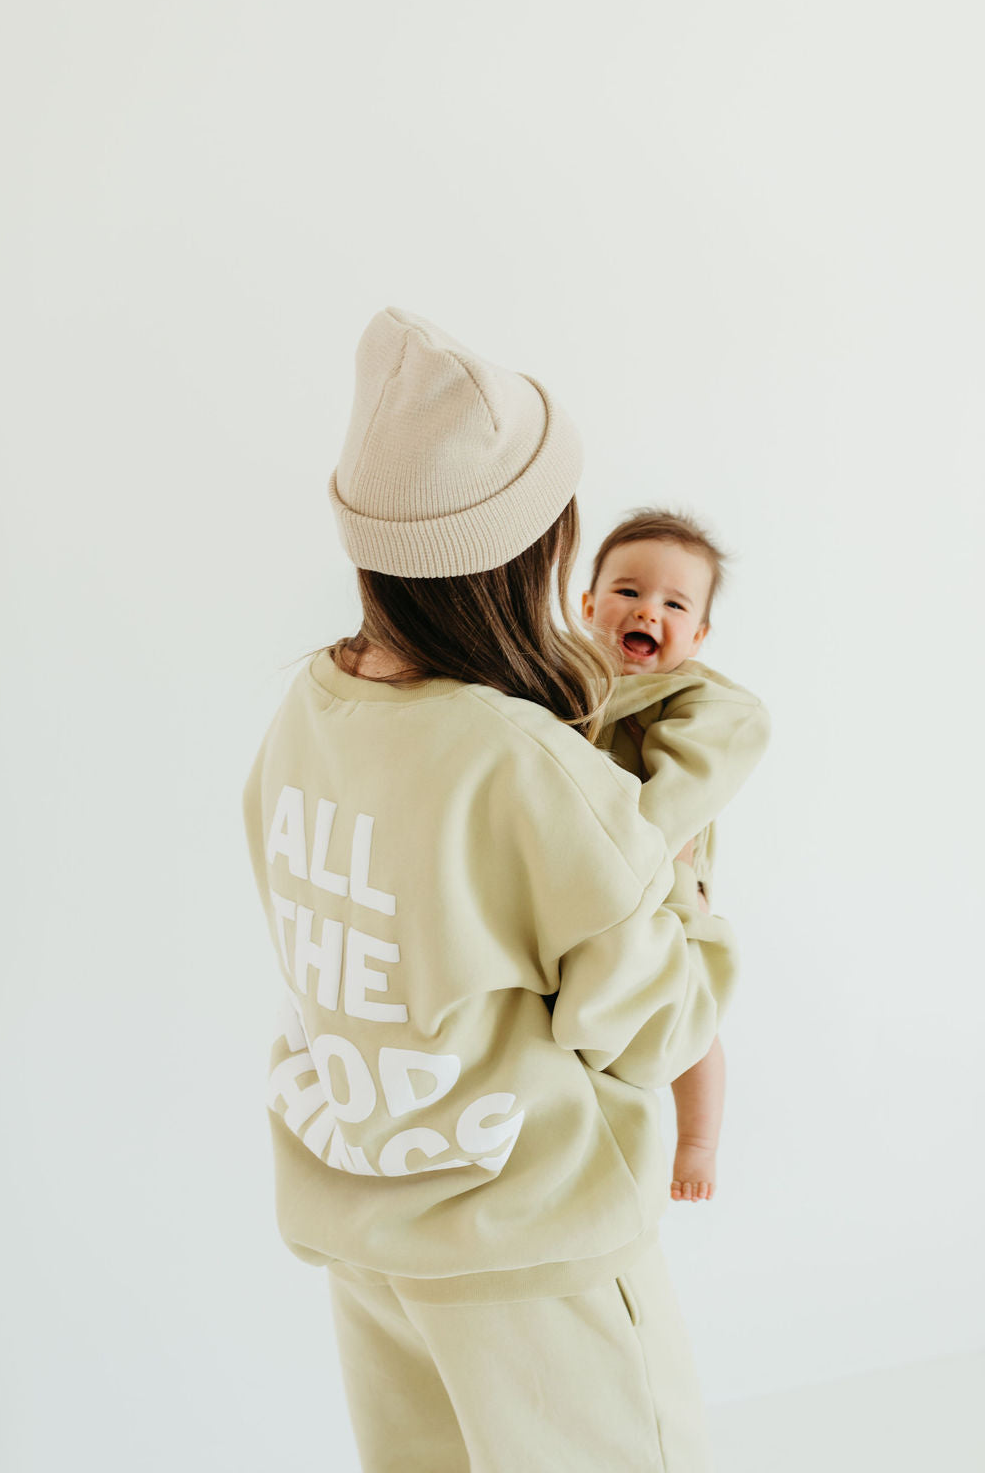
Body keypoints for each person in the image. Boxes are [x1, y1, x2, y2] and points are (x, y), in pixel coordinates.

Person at [242, 307, 739, 1472]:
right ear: (533, 551)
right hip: (530, 1248)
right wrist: (679, 879)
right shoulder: (526, 763)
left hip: (371, 1225)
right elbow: (658, 1021)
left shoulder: (306, 715)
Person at [583, 511, 772, 1203]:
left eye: (674, 604)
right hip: (585, 886)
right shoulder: (563, 688)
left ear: (698, 636)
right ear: (587, 606)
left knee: (693, 1024)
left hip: (666, 886)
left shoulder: (691, 701)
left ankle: (697, 1141)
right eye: (628, 592)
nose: (647, 613)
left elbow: (668, 806)